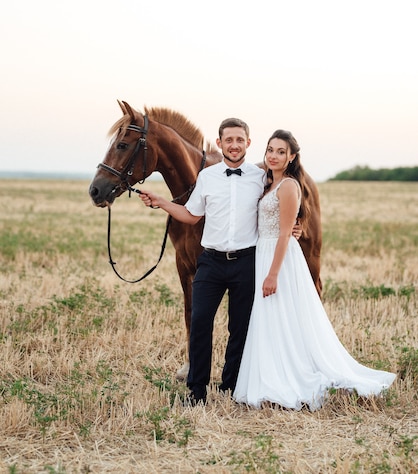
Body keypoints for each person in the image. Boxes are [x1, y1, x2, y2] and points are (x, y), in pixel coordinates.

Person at [139, 118, 301, 406]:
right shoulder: (207, 178)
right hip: (211, 262)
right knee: (200, 323)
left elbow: (280, 202)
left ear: (248, 144)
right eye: (229, 140)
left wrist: (297, 227)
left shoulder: (260, 176)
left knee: (239, 329)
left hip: (246, 263)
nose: (234, 145)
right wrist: (162, 202)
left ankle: (231, 387)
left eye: (240, 140)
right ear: (220, 143)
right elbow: (192, 215)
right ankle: (197, 391)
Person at [233, 129, 396, 411]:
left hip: (279, 258)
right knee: (272, 319)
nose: (273, 155)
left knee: (281, 313)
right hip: (265, 254)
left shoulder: (289, 187)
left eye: (281, 151)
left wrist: (272, 274)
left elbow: (285, 234)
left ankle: (292, 376)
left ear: (292, 156)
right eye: (270, 149)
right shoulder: (268, 183)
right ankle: (273, 372)